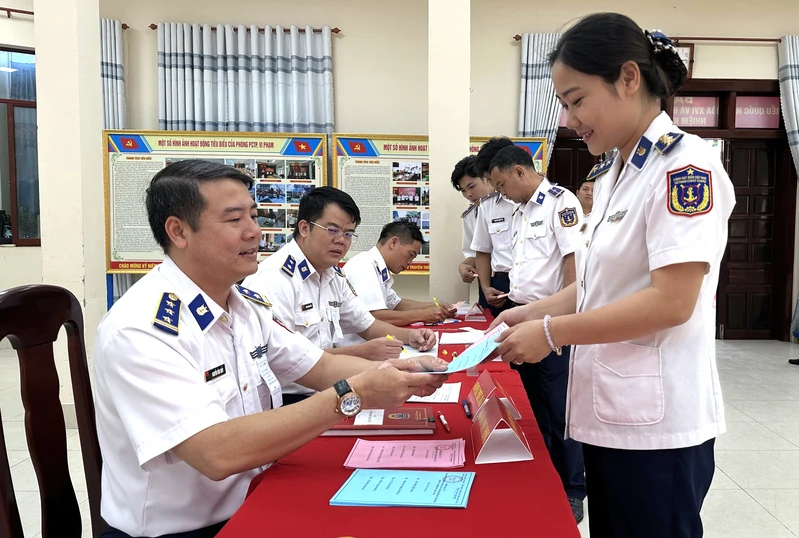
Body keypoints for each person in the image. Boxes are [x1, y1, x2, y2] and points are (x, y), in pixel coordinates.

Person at [94, 160, 447, 538]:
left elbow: (320, 367)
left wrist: (408, 371)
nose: (255, 232)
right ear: (179, 231)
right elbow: (216, 453)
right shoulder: (142, 328)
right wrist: (353, 394)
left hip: (258, 493)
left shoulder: (243, 306)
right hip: (185, 530)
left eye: (253, 215)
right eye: (234, 220)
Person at [491, 14, 734, 538]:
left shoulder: (683, 168)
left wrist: (550, 333)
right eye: (564, 104)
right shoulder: (617, 173)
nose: (570, 119)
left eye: (577, 100)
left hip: (659, 426)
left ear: (628, 78)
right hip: (612, 415)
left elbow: (671, 302)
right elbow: (598, 287)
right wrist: (528, 313)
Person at [243, 186, 438, 405]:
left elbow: (367, 324)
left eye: (348, 234)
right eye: (332, 230)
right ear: (305, 228)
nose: (341, 240)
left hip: (331, 387)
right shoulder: (275, 279)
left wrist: (410, 336)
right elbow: (289, 361)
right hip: (292, 399)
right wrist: (360, 352)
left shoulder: (332, 274)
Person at [487, 144, 587, 522]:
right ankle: (546, 477)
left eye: (502, 185)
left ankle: (573, 488)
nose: (501, 193)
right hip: (521, 314)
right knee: (532, 405)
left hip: (551, 321)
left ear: (519, 171)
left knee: (560, 408)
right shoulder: (522, 210)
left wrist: (564, 325)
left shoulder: (561, 203)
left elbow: (573, 266)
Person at [343, 220, 456, 329]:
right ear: (393, 243)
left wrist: (435, 306)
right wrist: (422, 315)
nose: (410, 263)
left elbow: (396, 304)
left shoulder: (378, 267)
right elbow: (374, 317)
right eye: (410, 254)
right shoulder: (364, 266)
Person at [474, 136, 520, 312]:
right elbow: (482, 251)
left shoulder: (545, 201)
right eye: (488, 179)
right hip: (501, 284)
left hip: (535, 284)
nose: (492, 184)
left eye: (493, 178)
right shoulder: (488, 205)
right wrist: (485, 288)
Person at [452, 155, 494, 309]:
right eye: (463, 190)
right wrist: (464, 265)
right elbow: (472, 253)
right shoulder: (470, 216)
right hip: (486, 283)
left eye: (472, 186)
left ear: (486, 178)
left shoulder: (512, 205)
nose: (468, 194)